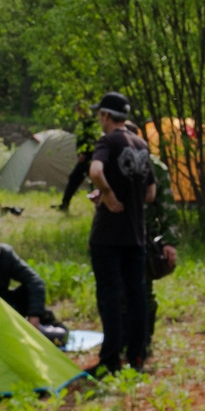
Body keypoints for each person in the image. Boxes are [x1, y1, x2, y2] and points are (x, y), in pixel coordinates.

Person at [85, 91, 158, 374]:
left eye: (99, 115)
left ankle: (110, 360)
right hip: (136, 234)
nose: (99, 120)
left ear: (106, 115)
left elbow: (95, 170)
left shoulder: (107, 141)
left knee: (110, 296)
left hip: (107, 235)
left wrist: (107, 193)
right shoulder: (141, 144)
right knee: (136, 295)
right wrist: (129, 196)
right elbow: (151, 192)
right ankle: (137, 357)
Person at [0, 219, 64, 343]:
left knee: (27, 292)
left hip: (1, 305)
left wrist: (35, 315)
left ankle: (40, 326)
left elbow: (35, 281)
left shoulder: (5, 254)